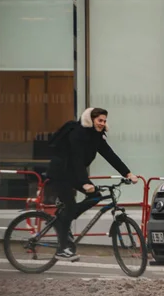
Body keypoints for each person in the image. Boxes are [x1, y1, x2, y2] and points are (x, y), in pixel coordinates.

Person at [46, 107, 138, 261]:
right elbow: (76, 159)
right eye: (99, 120)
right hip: (60, 173)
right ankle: (62, 249)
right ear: (91, 119)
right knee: (70, 206)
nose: (102, 123)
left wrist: (127, 173)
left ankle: (65, 218)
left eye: (104, 121)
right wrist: (84, 183)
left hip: (72, 173)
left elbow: (110, 155)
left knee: (95, 196)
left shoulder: (97, 136)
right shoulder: (78, 133)